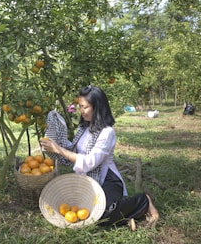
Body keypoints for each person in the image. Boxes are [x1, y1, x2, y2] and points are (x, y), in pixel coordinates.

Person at [40, 85, 159, 230]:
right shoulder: (84, 128)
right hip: (87, 180)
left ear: (97, 107)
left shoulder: (107, 133)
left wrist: (59, 149)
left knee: (103, 215)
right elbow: (76, 149)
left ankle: (143, 201)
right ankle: (127, 217)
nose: (81, 111)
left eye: (85, 107)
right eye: (80, 106)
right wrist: (56, 143)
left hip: (107, 179)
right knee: (87, 215)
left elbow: (90, 162)